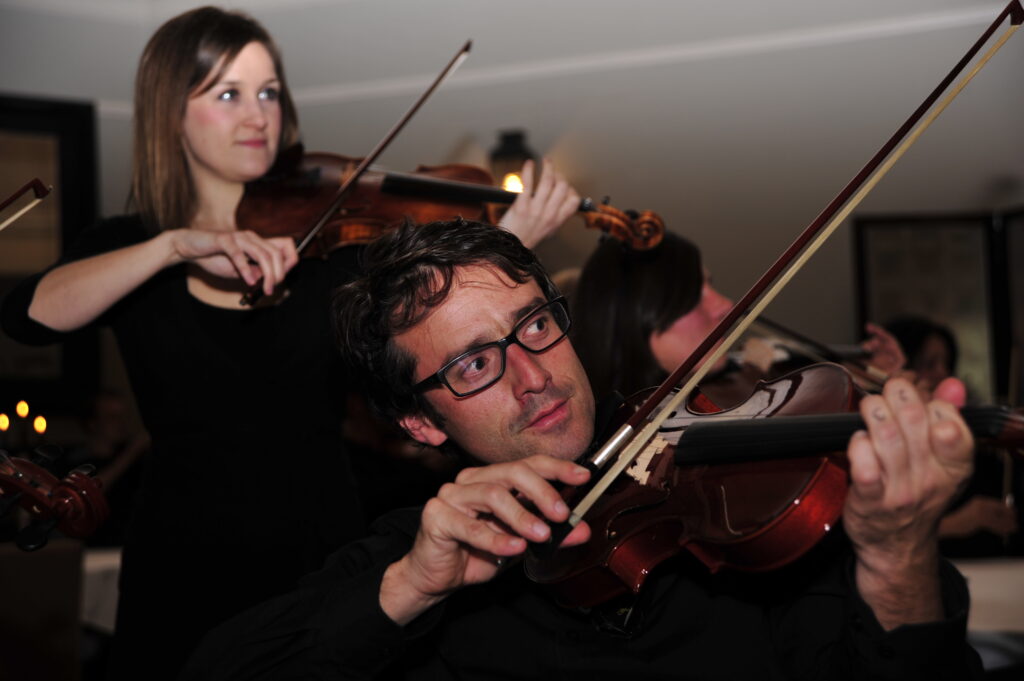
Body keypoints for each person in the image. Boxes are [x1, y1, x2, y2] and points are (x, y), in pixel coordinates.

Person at [0, 8, 578, 680]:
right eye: (228, 93)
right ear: (170, 115)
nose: (258, 115)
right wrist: (171, 246)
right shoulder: (130, 247)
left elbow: (437, 326)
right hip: (182, 546)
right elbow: (27, 317)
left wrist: (514, 241)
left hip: (320, 532)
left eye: (269, 91)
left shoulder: (331, 252)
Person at [182, 219, 983, 680]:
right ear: (420, 423)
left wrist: (896, 554)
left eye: (533, 324)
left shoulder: (732, 504)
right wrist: (406, 589)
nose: (533, 374)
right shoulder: (411, 559)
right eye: (473, 363)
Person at [572, 233, 905, 405]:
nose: (725, 305)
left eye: (710, 286)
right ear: (634, 316)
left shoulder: (735, 388)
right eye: (692, 296)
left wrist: (873, 378)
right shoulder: (623, 446)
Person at [886, 315, 1020, 555]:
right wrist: (963, 521)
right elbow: (881, 535)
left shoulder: (980, 459)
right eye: (929, 364)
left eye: (946, 363)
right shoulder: (888, 450)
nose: (943, 373)